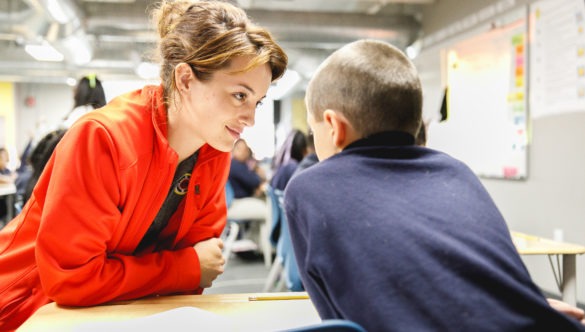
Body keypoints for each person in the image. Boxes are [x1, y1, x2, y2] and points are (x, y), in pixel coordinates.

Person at [0, 0, 287, 329]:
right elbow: (72, 280)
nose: (250, 118)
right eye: (239, 95)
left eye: (258, 102)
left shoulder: (213, 150)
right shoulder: (103, 139)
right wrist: (184, 267)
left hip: (115, 314)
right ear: (186, 80)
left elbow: (199, 271)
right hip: (24, 313)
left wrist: (185, 269)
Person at [283, 39, 585, 331]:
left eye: (314, 128)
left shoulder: (309, 188)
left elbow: (339, 322)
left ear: (334, 127)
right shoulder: (457, 172)